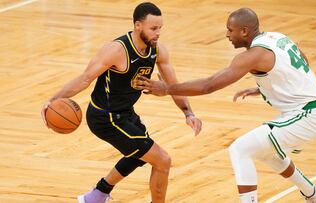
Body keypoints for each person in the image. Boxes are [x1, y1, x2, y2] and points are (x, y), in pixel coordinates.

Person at [134, 7, 316, 203]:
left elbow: (208, 86)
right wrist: (266, 88)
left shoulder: (253, 55)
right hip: (313, 111)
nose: (227, 35)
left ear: (244, 31)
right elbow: (302, 61)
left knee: (240, 149)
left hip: (309, 115)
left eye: (230, 30)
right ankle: (315, 194)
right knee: (267, 154)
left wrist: (167, 89)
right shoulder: (276, 37)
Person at [41, 2, 202, 203]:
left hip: (125, 113)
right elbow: (85, 79)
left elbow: (174, 85)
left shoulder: (158, 51)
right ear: (138, 26)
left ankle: (96, 195)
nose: (158, 33)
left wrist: (188, 113)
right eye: (153, 28)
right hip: (105, 117)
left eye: (160, 28)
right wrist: (53, 99)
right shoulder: (117, 50)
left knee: (141, 154)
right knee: (162, 160)